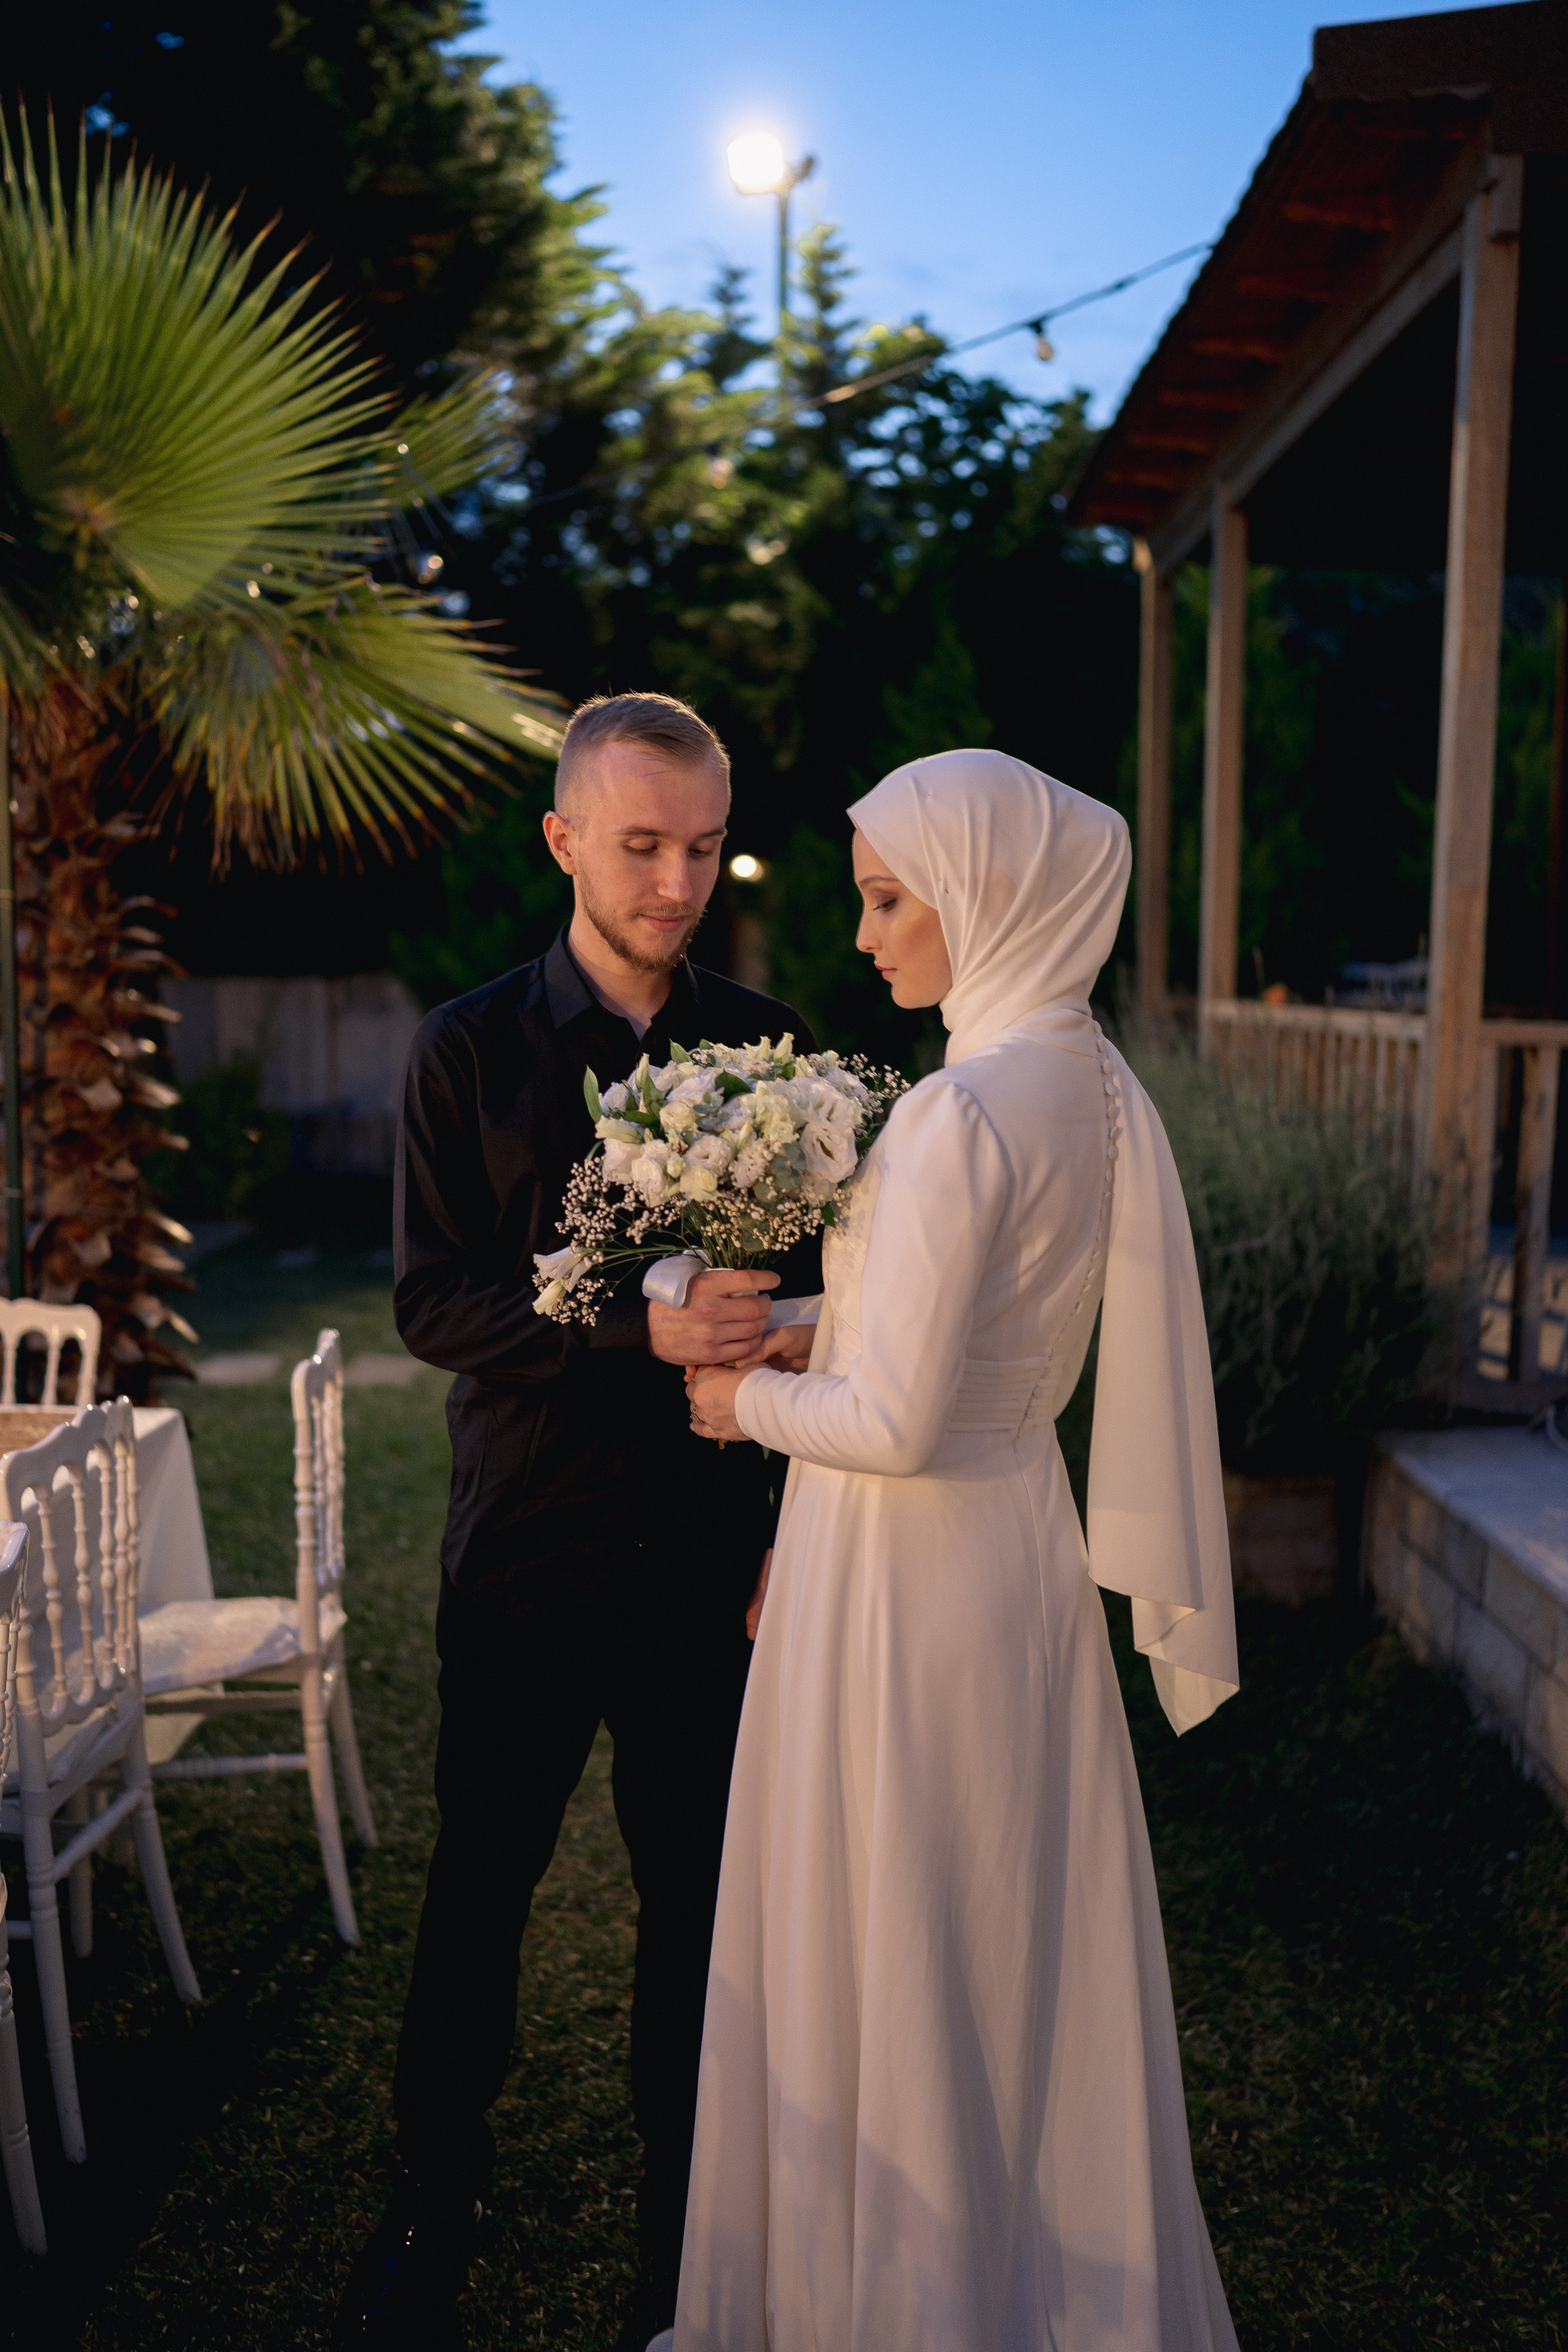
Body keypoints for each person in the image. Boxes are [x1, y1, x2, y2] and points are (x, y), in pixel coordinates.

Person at [675, 749, 1241, 2351]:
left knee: (903, 1926)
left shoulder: (956, 1112)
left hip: (903, 1575)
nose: (864, 937)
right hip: (1017, 1553)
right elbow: (978, 1337)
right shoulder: (1094, 1089)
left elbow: (897, 1420)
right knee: (1003, 1927)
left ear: (984, 897)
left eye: (888, 899)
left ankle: (903, 2300)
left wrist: (735, 1402)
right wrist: (812, 1321)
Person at [333, 693, 818, 2352]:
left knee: (702, 1917)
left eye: (703, 849)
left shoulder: (770, 1049)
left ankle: (689, 2246)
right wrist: (636, 1333)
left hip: (707, 1563)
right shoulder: (464, 1050)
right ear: (563, 841)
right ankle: (429, 2212)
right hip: (528, 1556)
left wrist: (792, 1518)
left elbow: (814, 1308)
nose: (677, 883)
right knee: (481, 1895)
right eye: (641, 847)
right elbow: (433, 1304)